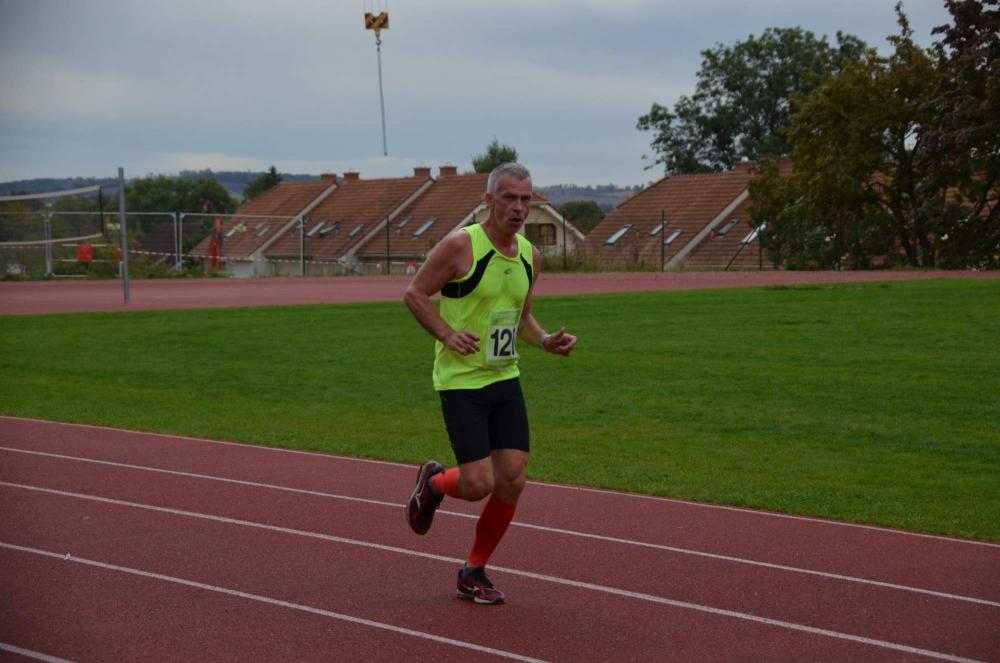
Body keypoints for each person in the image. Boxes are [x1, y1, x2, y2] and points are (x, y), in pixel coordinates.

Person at [403, 162, 577, 605]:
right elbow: (415, 294)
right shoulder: (461, 246)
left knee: (512, 480)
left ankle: (473, 570)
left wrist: (545, 341)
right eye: (509, 198)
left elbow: (521, 317)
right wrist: (447, 334)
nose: (519, 208)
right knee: (478, 484)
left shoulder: (530, 256)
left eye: (526, 199)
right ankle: (434, 483)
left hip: (504, 377)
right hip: (461, 381)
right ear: (488, 200)